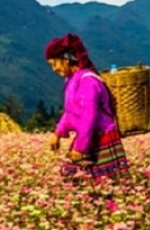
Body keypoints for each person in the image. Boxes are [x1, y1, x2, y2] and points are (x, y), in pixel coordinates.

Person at [44, 33, 129, 180]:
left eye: (54, 64)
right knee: (76, 180)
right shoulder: (71, 80)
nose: (54, 69)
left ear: (66, 59)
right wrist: (57, 134)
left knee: (103, 185)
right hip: (87, 137)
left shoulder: (88, 81)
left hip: (101, 138)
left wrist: (79, 147)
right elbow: (70, 111)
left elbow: (88, 117)